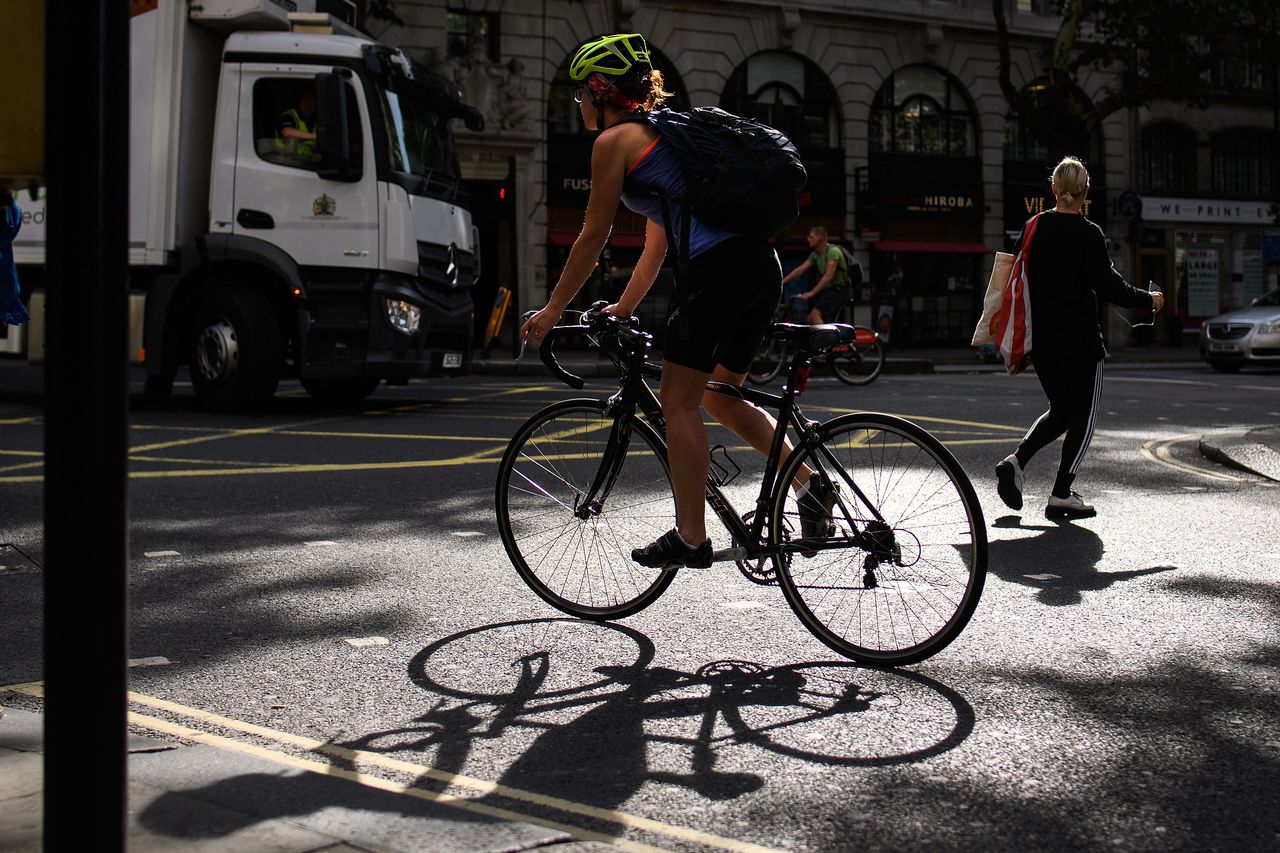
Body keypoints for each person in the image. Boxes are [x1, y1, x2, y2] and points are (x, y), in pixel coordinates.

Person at [520, 33, 835, 569]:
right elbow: (655, 247)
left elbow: (593, 235)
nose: (578, 104)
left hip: (717, 274)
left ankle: (691, 536)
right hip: (760, 266)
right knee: (720, 397)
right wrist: (621, 309)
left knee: (678, 399)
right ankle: (809, 483)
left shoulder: (614, 143)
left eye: (581, 93)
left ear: (601, 89)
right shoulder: (668, 139)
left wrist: (552, 311)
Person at [995, 156, 1164, 520]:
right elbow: (1109, 287)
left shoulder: (1032, 226)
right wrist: (1148, 299)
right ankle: (1061, 492)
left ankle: (1016, 462)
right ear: (1085, 191)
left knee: (1061, 411)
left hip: (1041, 341)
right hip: (1081, 343)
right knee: (1084, 417)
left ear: (1053, 189)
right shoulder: (1089, 234)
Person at [780, 226, 852, 324]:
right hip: (830, 291)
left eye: (811, 237)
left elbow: (828, 276)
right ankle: (827, 337)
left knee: (815, 314)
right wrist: (781, 282)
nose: (808, 239)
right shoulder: (816, 254)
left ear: (820, 238)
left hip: (839, 290)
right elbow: (800, 270)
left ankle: (825, 339)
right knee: (810, 320)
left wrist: (812, 293)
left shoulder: (832, 251)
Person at [276, 88, 318, 158]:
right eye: (311, 99)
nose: (314, 103)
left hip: (306, 160)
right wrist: (315, 136)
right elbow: (287, 133)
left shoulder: (313, 119)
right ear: (304, 100)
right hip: (287, 161)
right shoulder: (288, 116)